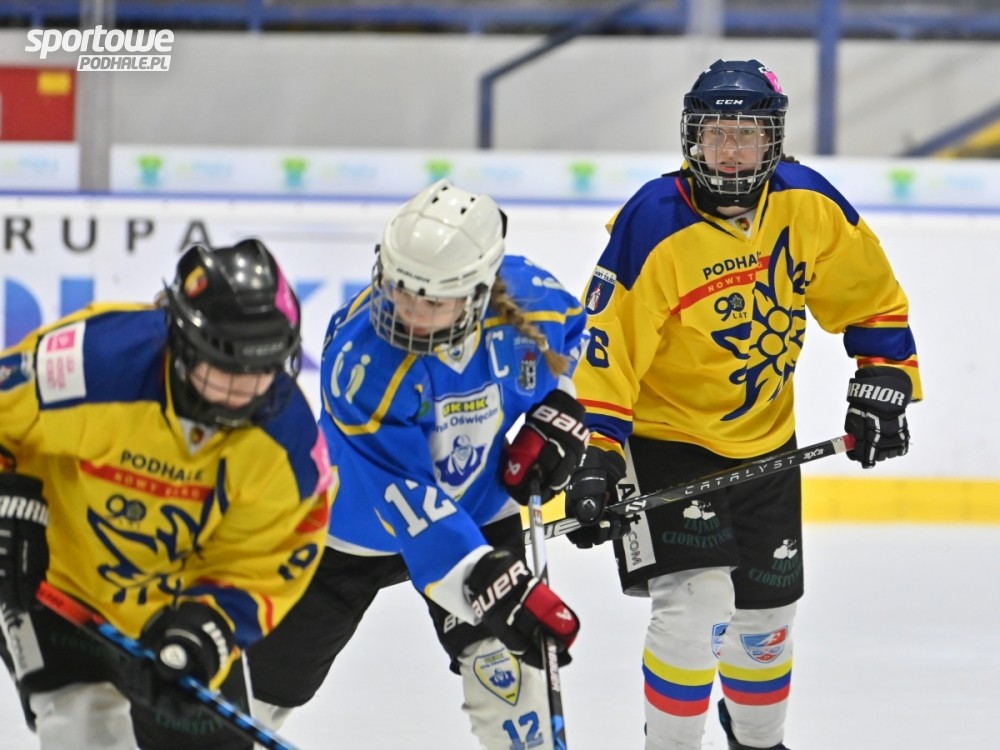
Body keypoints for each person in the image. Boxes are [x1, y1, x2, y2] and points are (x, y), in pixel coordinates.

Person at [564, 59, 922, 750]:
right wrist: (597, 453)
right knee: (694, 609)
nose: (730, 150)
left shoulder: (809, 204)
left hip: (767, 441)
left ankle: (757, 741)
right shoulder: (653, 220)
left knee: (767, 622)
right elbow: (607, 349)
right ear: (692, 139)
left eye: (747, 135)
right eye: (716, 134)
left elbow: (870, 297)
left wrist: (885, 377)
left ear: (772, 141)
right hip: (664, 443)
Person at [235, 179, 589, 750]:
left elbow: (578, 345)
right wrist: (491, 587)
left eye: (433, 300)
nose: (409, 312)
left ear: (479, 290)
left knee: (506, 676)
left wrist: (562, 409)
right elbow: (411, 505)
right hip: (350, 528)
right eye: (401, 289)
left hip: (475, 508)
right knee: (263, 692)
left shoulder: (533, 300)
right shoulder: (361, 362)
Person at [0, 239, 332, 750]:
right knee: (82, 729)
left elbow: (271, 559)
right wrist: (8, 501)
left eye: (261, 370)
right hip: (55, 585)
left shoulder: (289, 446)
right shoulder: (92, 363)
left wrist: (210, 629)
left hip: (175, 609)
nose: (242, 392)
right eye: (223, 367)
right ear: (183, 344)